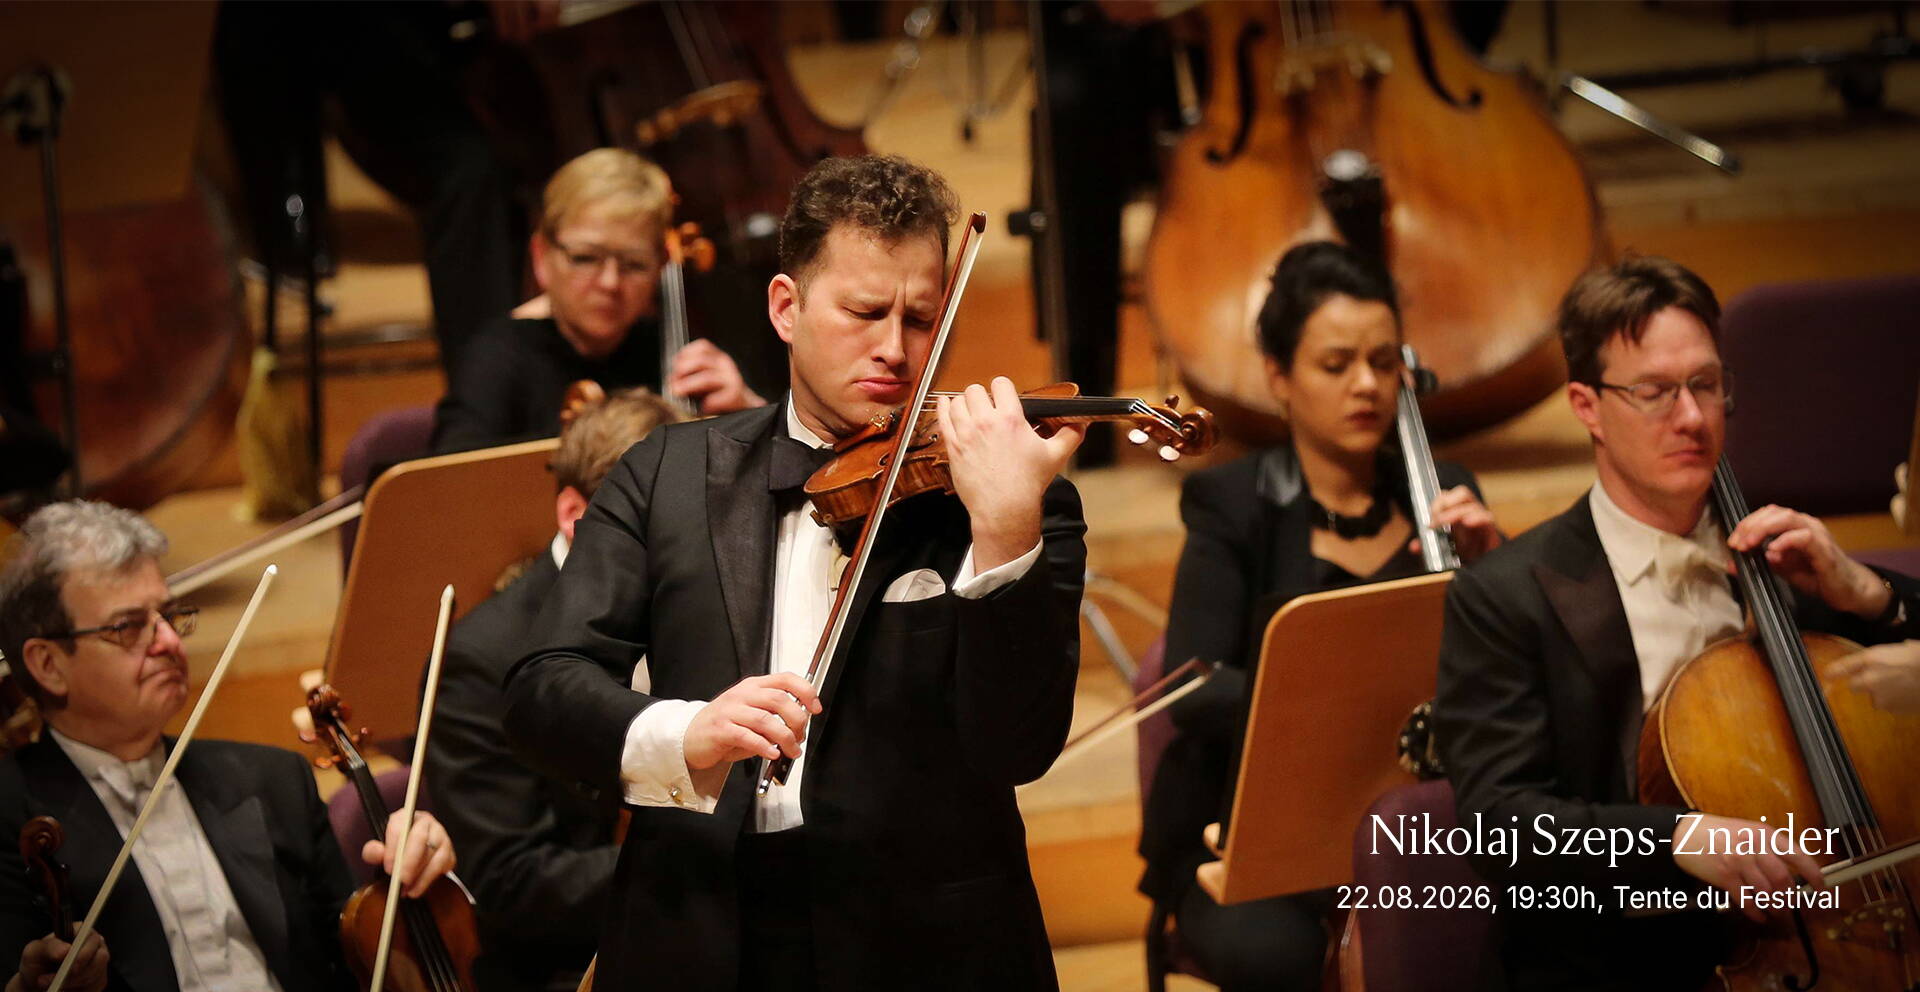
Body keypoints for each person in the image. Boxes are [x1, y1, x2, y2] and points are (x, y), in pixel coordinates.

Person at [501, 154, 1088, 991]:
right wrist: (686, 733)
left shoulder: (1011, 494)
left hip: (924, 949)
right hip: (700, 931)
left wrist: (1002, 529)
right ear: (786, 307)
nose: (895, 348)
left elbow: (1018, 745)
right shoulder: (666, 473)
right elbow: (543, 687)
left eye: (921, 319)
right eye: (864, 312)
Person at [1433, 255, 1920, 990]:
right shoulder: (1505, 597)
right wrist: (1678, 837)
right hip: (1628, 960)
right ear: (1587, 405)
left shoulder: (1784, 559)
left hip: (1847, 935)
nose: (1692, 418)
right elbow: (1499, 823)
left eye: (1706, 384)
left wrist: (1867, 594)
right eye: (1655, 392)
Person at [1137, 241, 1502, 990]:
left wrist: (1496, 567)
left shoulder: (1445, 494)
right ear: (1279, 377)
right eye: (1336, 365)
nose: (1366, 384)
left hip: (1420, 823)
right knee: (1281, 957)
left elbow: (1507, 670)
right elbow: (1192, 687)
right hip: (1253, 833)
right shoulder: (1231, 505)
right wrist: (1340, 706)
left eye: (1382, 362)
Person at [0, 501, 461, 992]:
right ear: (48, 664)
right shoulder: (11, 816)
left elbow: (359, 963)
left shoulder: (274, 779)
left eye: (169, 616)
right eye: (127, 627)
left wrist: (419, 881)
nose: (169, 641)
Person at [424, 386, 683, 992]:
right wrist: (695, 861)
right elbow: (512, 881)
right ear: (576, 515)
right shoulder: (480, 660)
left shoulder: (689, 601)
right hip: (569, 966)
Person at [432, 149, 766, 454]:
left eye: (635, 264)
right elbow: (451, 487)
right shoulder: (496, 360)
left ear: (661, 266)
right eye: (586, 258)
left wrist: (750, 413)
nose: (610, 283)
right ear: (541, 257)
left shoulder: (676, 351)